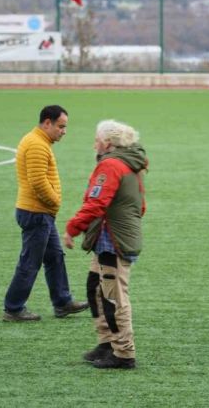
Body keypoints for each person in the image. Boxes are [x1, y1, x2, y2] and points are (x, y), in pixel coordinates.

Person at [63, 120, 148, 369]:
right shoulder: (130, 164)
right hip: (110, 237)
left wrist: (72, 228)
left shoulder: (111, 165)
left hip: (112, 241)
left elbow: (96, 203)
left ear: (108, 143)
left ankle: (123, 353)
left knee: (113, 297)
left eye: (97, 140)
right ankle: (107, 343)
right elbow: (140, 206)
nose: (94, 144)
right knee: (96, 288)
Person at [2, 105, 88, 321]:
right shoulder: (37, 145)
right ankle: (13, 308)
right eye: (61, 126)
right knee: (30, 261)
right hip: (36, 213)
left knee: (55, 257)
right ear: (47, 123)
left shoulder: (38, 141)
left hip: (39, 213)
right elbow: (38, 181)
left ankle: (62, 302)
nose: (64, 131)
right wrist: (55, 201)